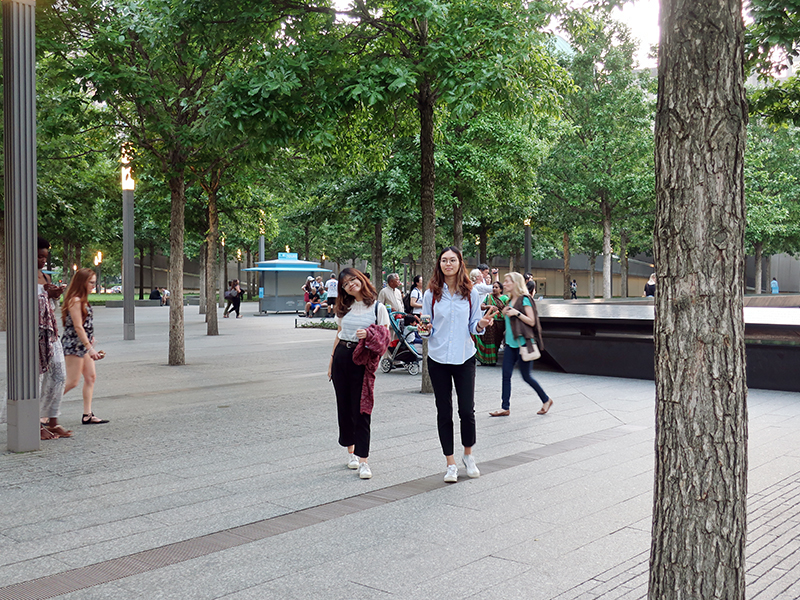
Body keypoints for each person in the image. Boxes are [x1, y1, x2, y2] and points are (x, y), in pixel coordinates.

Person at [418, 246, 495, 483]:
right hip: (438, 358)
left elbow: (473, 326)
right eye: (444, 260)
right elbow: (426, 326)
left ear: (460, 263)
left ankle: (468, 455)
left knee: (467, 411)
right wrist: (425, 330)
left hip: (464, 357)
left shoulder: (470, 293)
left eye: (452, 260)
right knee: (444, 411)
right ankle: (450, 463)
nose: (448, 264)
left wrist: (481, 324)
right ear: (439, 264)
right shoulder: (431, 293)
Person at [328, 268, 390, 480]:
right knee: (344, 407)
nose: (350, 284)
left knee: (362, 409)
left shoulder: (377, 308)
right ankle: (351, 453)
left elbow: (385, 337)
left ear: (361, 279)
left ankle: (364, 460)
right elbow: (339, 334)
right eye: (345, 284)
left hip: (361, 360)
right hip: (341, 359)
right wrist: (331, 361)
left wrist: (368, 334)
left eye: (353, 279)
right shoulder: (344, 308)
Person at [489, 272, 553, 418]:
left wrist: (516, 313)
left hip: (523, 345)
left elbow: (531, 321)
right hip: (510, 345)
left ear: (516, 283)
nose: (504, 284)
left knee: (526, 376)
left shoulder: (525, 299)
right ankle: (505, 407)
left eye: (507, 281)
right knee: (506, 375)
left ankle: (546, 400)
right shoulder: (509, 300)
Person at [62, 268, 108, 425]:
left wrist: (90, 340)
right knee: (72, 381)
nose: (93, 286)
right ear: (82, 282)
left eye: (95, 283)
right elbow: (77, 327)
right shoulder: (75, 300)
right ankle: (45, 410)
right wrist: (89, 347)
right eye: (91, 282)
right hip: (74, 345)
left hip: (83, 344)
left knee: (90, 377)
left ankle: (87, 414)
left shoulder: (83, 299)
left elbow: (84, 325)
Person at [37, 237, 71, 439]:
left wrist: (55, 295)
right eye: (39, 256)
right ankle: (34, 423)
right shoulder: (23, 275)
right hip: (32, 334)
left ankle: (52, 420)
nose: (42, 261)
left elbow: (50, 305)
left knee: (59, 376)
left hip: (50, 333)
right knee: (36, 379)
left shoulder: (45, 277)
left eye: (45, 257)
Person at [475, 281, 508, 366]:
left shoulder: (505, 298)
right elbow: (482, 306)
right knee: (487, 340)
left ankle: (493, 360)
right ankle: (486, 360)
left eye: (496, 287)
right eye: (493, 287)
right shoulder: (489, 297)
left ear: (501, 289)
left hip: (500, 323)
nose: (494, 289)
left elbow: (508, 310)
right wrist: (488, 307)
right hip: (489, 322)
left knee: (496, 341)